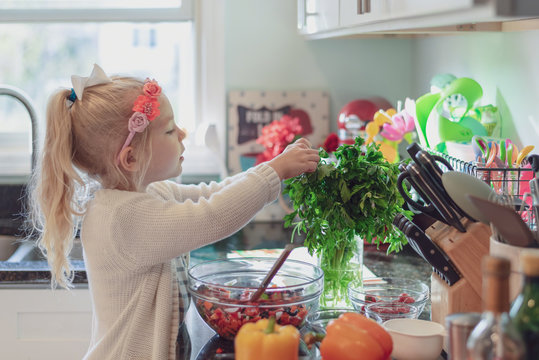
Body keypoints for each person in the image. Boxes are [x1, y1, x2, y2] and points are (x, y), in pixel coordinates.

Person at [27, 64, 320, 359]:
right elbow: (212, 217)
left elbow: (211, 194)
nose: (182, 132)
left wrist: (272, 168)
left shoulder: (149, 193)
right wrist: (274, 172)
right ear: (130, 158)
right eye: (169, 129)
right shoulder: (122, 219)